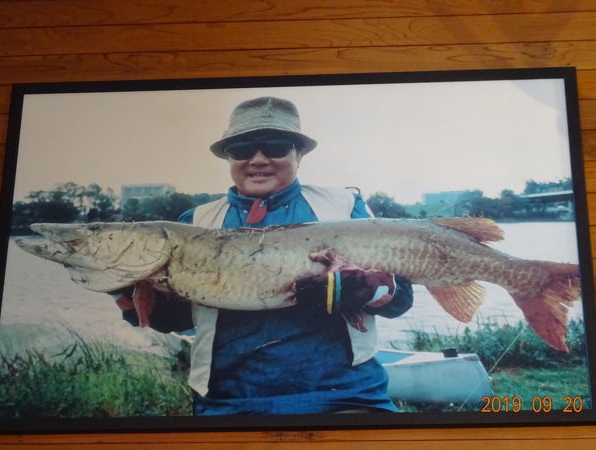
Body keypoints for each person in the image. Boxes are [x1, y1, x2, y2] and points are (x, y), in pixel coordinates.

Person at [110, 96, 414, 415]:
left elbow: (400, 299)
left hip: (345, 396)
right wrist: (123, 289)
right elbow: (173, 319)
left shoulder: (345, 208)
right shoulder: (194, 223)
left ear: (300, 154)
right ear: (229, 158)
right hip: (229, 402)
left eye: (275, 146)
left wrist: (359, 288)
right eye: (241, 150)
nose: (257, 159)